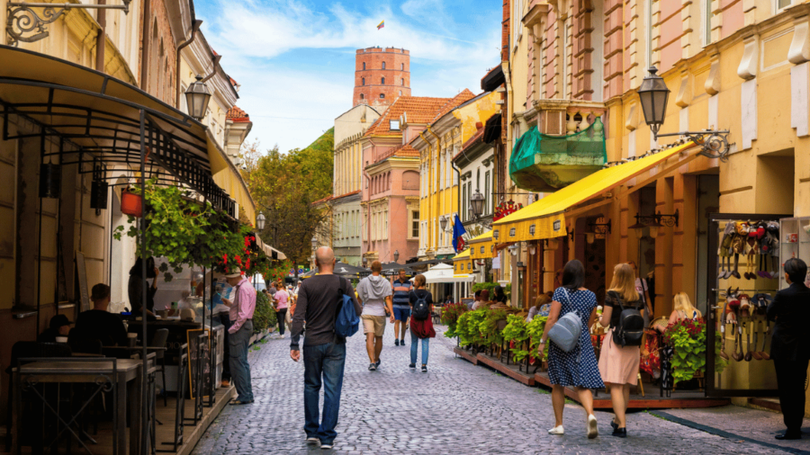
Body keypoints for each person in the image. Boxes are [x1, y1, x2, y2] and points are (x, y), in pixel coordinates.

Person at [290, 247, 362, 450]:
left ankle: (312, 432)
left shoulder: (307, 284)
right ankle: (327, 436)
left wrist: (295, 343)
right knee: (332, 389)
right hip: (335, 342)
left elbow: (298, 316)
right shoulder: (343, 283)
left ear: (315, 262)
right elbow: (357, 311)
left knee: (311, 386)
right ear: (335, 261)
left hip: (312, 341)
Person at [538, 259, 603, 439]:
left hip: (561, 342)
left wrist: (543, 341)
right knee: (582, 384)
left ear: (565, 274)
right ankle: (590, 414)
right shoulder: (591, 296)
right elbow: (589, 322)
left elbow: (552, 318)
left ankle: (559, 425)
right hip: (582, 342)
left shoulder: (560, 292)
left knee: (558, 383)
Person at [598, 263, 645, 438]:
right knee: (625, 384)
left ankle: (622, 425)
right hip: (632, 344)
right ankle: (618, 420)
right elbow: (639, 321)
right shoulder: (637, 297)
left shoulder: (611, 295)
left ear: (617, 276)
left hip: (617, 341)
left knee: (615, 385)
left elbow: (605, 322)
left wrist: (599, 317)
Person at [767, 258, 810, 440]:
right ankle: (797, 425)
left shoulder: (783, 295)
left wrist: (781, 319)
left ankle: (791, 428)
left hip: (783, 347)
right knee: (799, 387)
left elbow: (769, 313)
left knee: (785, 388)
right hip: (803, 346)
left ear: (787, 275)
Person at [221, 267, 256, 406]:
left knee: (237, 361)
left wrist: (232, 329)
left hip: (240, 327)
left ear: (235, 277)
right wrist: (231, 305)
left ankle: (244, 395)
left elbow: (242, 314)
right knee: (241, 361)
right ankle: (247, 393)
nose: (228, 281)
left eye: (229, 278)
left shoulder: (242, 289)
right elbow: (243, 309)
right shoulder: (247, 286)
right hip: (245, 326)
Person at [356, 261, 394, 371]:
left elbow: (359, 298)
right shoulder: (385, 282)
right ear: (381, 269)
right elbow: (388, 299)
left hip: (367, 311)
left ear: (371, 268)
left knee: (369, 337)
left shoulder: (364, 282)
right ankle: (376, 359)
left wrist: (360, 307)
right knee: (379, 337)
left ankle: (372, 362)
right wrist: (391, 313)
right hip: (380, 313)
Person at [409, 274, 436, 372]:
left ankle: (413, 363)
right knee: (425, 342)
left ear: (418, 282)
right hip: (425, 320)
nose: (414, 282)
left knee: (414, 342)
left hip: (415, 319)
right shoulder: (429, 294)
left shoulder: (412, 294)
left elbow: (411, 305)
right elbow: (429, 308)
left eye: (415, 280)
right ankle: (424, 365)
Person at [392, 269, 413, 347]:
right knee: (397, 320)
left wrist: (411, 304)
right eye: (402, 274)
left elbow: (411, 294)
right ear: (399, 274)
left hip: (406, 306)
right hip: (396, 305)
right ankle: (396, 338)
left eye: (404, 274)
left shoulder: (409, 283)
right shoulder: (394, 283)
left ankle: (402, 339)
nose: (403, 275)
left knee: (404, 322)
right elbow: (391, 294)